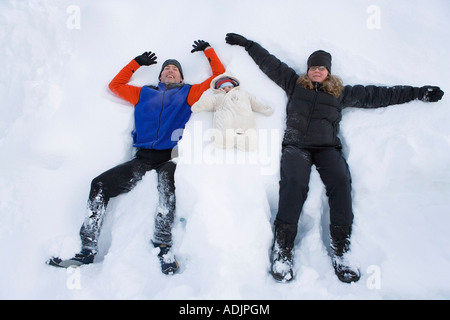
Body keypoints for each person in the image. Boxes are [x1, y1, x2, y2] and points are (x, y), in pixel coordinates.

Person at [225, 33, 444, 283]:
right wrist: (248, 44)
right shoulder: (294, 83)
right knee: (293, 185)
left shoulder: (340, 93)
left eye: (321, 67)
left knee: (340, 182)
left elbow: (378, 95)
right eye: (313, 67)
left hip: (328, 148)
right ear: (307, 70)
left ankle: (341, 250)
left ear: (328, 72)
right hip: (296, 146)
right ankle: (283, 250)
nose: (317, 71)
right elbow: (270, 63)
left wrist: (418, 93)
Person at [47, 40, 225, 274]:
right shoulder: (143, 93)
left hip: (169, 157)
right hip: (142, 158)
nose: (170, 71)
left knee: (166, 192)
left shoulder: (188, 93)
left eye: (175, 70)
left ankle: (163, 245)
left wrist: (208, 51)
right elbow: (115, 85)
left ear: (181, 78)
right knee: (99, 185)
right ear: (161, 77)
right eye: (166, 69)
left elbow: (219, 76)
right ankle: (88, 249)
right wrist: (136, 63)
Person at [191, 73, 273, 151]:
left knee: (248, 135)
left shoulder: (243, 94)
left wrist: (265, 108)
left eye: (229, 87)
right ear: (219, 89)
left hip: (244, 122)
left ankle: (246, 140)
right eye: (223, 88)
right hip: (226, 127)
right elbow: (208, 102)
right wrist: (198, 106)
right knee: (224, 130)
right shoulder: (217, 97)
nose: (226, 89)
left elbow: (255, 102)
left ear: (234, 86)